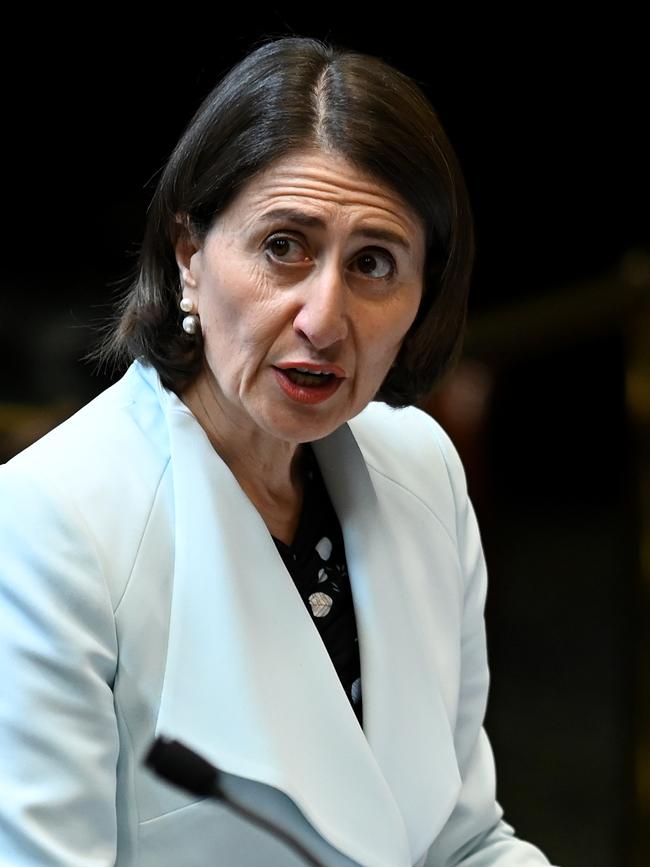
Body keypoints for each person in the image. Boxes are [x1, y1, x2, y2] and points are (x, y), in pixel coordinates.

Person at [0, 35, 557, 867]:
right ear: (189, 255)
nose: (324, 318)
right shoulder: (51, 521)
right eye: (283, 247)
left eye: (374, 262)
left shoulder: (424, 469)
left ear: (421, 297)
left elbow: (463, 840)